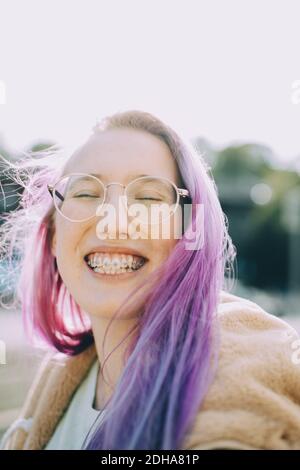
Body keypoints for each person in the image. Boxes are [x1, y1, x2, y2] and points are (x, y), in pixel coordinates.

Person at [1, 110, 300, 450]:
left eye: (148, 197)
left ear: (190, 232)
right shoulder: (63, 380)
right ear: (54, 234)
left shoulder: (248, 351)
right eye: (86, 193)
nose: (113, 223)